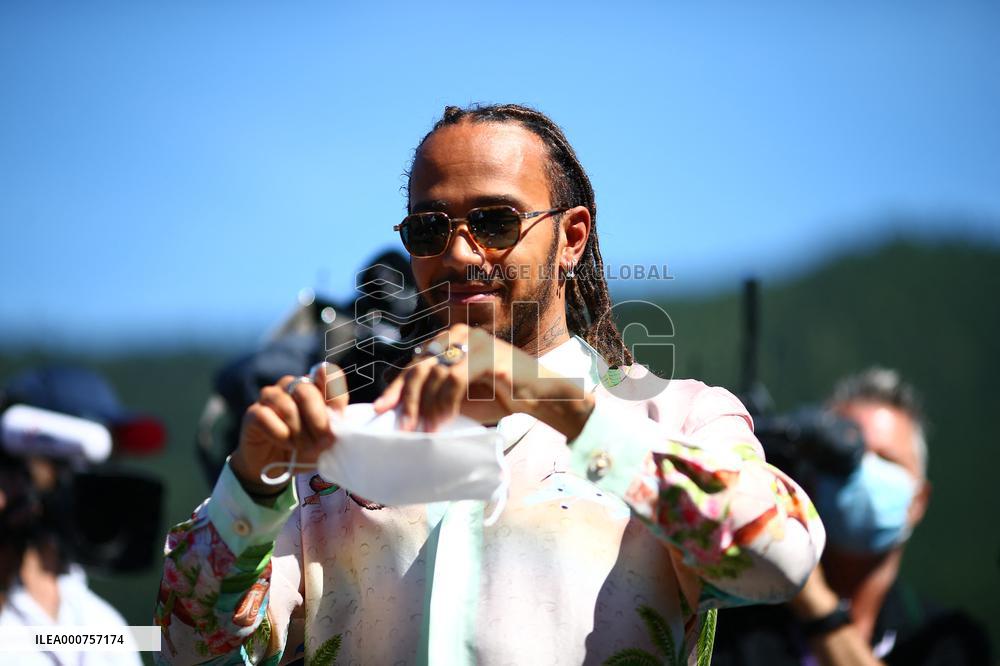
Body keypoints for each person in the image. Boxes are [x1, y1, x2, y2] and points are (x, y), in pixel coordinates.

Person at [153, 103, 825, 665]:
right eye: (429, 229)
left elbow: (780, 559)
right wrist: (252, 482)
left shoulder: (675, 418)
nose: (460, 253)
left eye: (496, 221)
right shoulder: (341, 453)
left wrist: (556, 401)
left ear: (572, 239)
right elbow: (189, 646)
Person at [712, 367, 992, 665]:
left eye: (886, 459)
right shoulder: (729, 627)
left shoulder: (948, 641)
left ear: (919, 500)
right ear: (808, 483)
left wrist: (815, 602)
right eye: (844, 458)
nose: (865, 472)